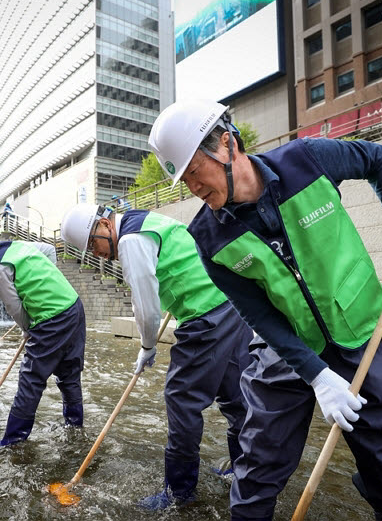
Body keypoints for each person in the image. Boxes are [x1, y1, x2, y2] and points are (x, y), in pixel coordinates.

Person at [149, 99, 382, 521]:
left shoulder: (306, 159)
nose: (193, 188)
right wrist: (317, 376)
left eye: (194, 172)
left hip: (362, 327)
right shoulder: (207, 238)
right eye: (184, 180)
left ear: (226, 145)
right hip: (284, 346)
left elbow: (376, 158)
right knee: (257, 468)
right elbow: (257, 315)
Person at [61, 204, 253, 509]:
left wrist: (148, 346)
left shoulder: (130, 240)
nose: (96, 254)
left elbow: (146, 307)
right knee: (235, 399)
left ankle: (179, 493)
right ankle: (243, 472)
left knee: (181, 399)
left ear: (104, 225)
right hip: (228, 304)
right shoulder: (146, 220)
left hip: (204, 314)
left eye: (92, 245)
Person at [0, 224, 85, 446]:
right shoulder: (16, 246)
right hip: (73, 307)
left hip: (51, 318)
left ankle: (13, 439)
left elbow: (15, 309)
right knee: (69, 372)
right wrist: (47, 283)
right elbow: (49, 251)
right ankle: (74, 425)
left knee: (30, 379)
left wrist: (27, 330)